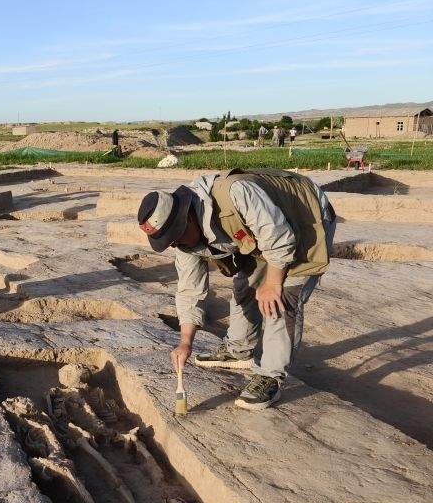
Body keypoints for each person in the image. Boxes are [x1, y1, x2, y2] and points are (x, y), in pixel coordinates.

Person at [136, 168, 336, 410]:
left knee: (281, 298)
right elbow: (190, 289)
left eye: (177, 237)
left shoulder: (235, 194)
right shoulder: (183, 240)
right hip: (261, 235)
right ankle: (240, 349)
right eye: (170, 242)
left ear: (187, 217)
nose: (176, 244)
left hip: (304, 218)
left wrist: (273, 283)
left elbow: (280, 238)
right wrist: (185, 342)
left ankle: (269, 376)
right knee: (246, 286)